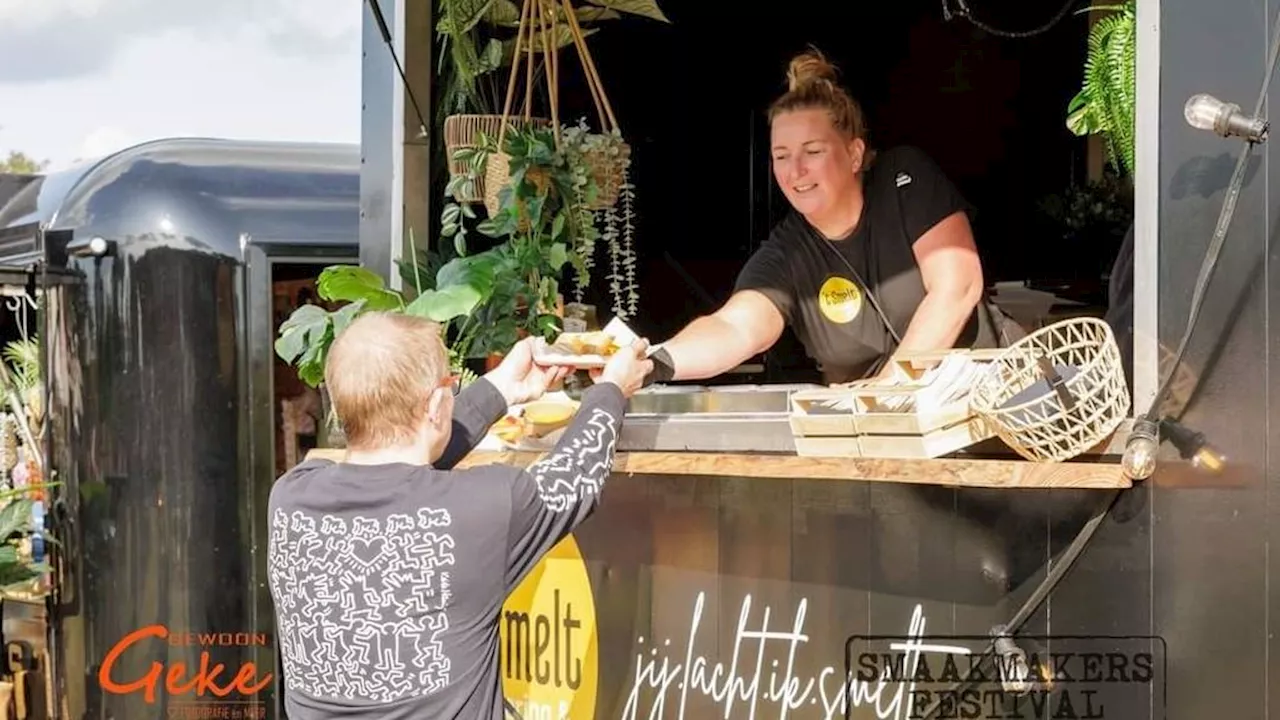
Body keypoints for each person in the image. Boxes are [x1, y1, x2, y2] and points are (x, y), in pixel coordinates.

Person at [265, 312, 652, 719]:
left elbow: (401, 460)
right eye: (450, 387)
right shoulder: (484, 507)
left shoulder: (291, 497)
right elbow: (577, 475)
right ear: (436, 405)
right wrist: (612, 388)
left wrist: (501, 388)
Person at [647, 48, 1023, 387]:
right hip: (883, 434)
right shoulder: (787, 252)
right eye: (781, 156)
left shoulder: (902, 178)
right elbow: (735, 327)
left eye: (812, 151)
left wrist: (890, 385)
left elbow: (956, 287)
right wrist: (653, 363)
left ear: (854, 154)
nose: (795, 171)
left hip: (998, 397)